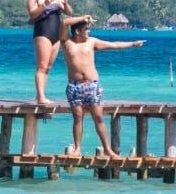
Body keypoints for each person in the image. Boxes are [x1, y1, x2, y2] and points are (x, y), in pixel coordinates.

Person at [60, 14, 145, 157]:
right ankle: (77, 149)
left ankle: (107, 149)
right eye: (86, 29)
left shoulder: (92, 42)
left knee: (98, 117)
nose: (89, 31)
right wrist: (83, 18)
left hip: (92, 86)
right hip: (75, 87)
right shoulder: (66, 42)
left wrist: (133, 44)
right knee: (78, 118)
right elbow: (64, 22)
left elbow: (115, 45)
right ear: (77, 31)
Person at [26, 0, 73, 102]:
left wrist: (66, 2)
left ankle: (39, 95)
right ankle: (41, 97)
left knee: (48, 67)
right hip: (42, 33)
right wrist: (44, 4)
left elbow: (69, 12)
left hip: (56, 34)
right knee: (42, 66)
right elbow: (32, 13)